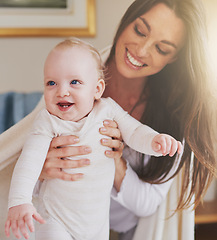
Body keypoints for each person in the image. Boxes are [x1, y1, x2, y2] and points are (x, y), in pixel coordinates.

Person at [0, 0, 216, 240]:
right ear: (127, 21)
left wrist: (117, 159)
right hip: (56, 220)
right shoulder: (70, 83)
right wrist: (40, 170)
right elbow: (26, 160)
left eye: (162, 49)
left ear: (174, 58)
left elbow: (140, 147)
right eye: (140, 31)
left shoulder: (171, 115)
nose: (141, 50)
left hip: (111, 231)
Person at [4, 38, 182, 240]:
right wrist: (19, 201)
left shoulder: (108, 110)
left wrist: (155, 142)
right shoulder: (48, 121)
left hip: (96, 225)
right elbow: (29, 162)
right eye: (51, 83)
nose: (62, 91)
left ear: (97, 89)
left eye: (74, 82)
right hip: (55, 219)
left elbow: (135, 133)